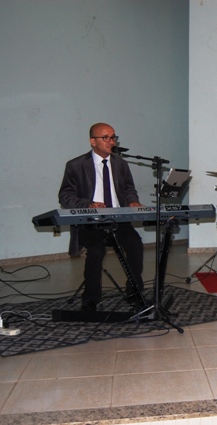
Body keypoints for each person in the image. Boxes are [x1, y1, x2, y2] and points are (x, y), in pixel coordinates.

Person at [58, 123, 145, 312]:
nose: (111, 141)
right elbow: (65, 196)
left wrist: (132, 202)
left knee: (135, 244)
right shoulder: (76, 165)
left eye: (113, 137)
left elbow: (128, 189)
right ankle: (91, 298)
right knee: (96, 251)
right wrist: (88, 204)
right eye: (105, 137)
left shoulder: (121, 164)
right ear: (92, 141)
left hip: (118, 220)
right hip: (91, 222)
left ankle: (135, 292)